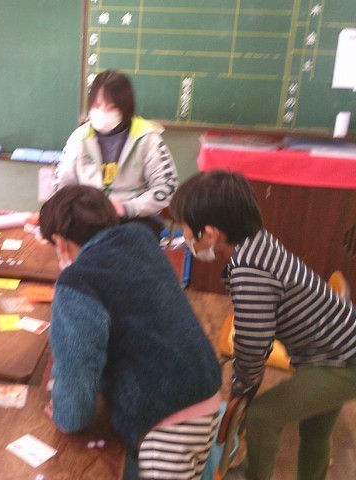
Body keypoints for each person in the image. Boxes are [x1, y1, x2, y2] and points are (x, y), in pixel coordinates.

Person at [169, 170, 356, 480]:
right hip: (337, 350)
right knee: (315, 431)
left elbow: (254, 344)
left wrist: (240, 390)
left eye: (186, 232)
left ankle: (252, 475)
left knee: (262, 417)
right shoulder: (258, 242)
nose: (185, 240)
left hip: (339, 362)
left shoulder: (250, 271)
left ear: (210, 234)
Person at [39, 185, 222, 480]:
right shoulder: (140, 238)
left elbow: (77, 364)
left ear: (60, 242)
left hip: (167, 420)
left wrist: (68, 416)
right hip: (205, 391)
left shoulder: (77, 280)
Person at [53, 70, 178, 237]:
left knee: (119, 242)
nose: (103, 112)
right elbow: (62, 186)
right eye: (97, 106)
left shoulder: (147, 138)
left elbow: (167, 187)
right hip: (89, 218)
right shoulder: (79, 138)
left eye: (111, 107)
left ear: (125, 107)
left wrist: (127, 208)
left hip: (135, 219)